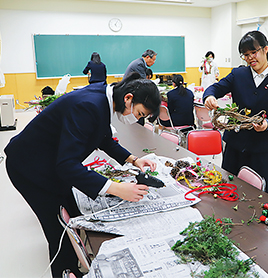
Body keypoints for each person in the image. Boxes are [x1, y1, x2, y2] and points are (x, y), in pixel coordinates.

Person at [4, 73, 161, 277]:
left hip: (47, 162)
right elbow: (67, 166)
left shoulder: (103, 99)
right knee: (58, 229)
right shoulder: (89, 105)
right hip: (29, 168)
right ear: (128, 98)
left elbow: (103, 138)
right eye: (139, 114)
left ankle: (76, 260)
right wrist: (117, 188)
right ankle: (65, 270)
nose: (136, 119)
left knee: (75, 215)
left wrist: (133, 159)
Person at [203, 30, 268, 199]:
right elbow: (216, 88)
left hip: (262, 148)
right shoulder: (238, 74)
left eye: (254, 52)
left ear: (265, 49)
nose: (250, 58)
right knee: (229, 192)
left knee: (265, 198)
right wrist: (209, 96)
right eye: (245, 55)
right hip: (236, 145)